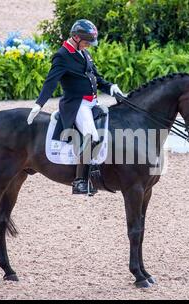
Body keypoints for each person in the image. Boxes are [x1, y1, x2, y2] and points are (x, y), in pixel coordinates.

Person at [27, 19, 125, 195]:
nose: (88, 45)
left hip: (92, 103)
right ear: (75, 37)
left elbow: (95, 77)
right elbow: (50, 82)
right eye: (86, 41)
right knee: (91, 136)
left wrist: (111, 87)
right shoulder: (62, 56)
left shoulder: (84, 53)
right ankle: (80, 181)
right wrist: (38, 104)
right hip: (77, 104)